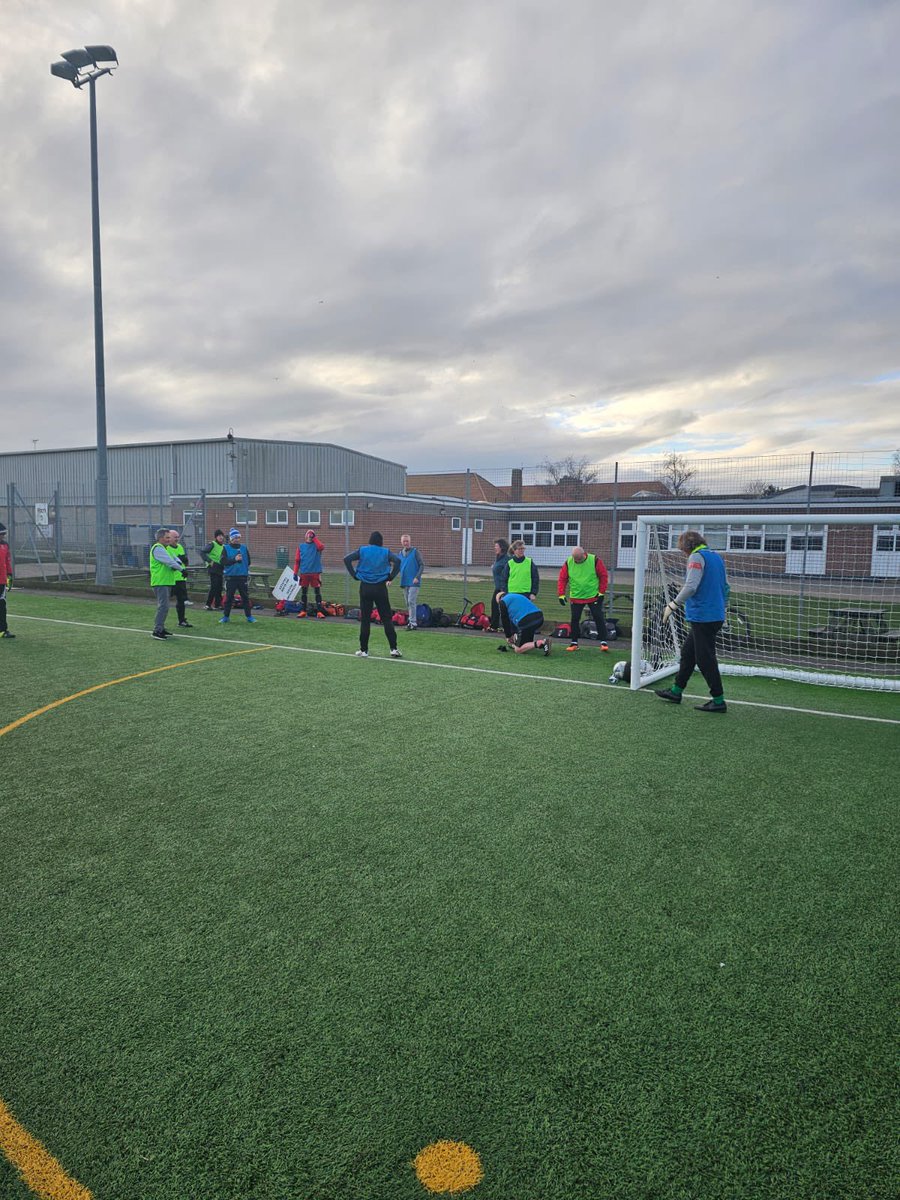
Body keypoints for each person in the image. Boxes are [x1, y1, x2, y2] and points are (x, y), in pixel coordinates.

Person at [655, 529, 729, 713]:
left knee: (705, 659)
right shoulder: (716, 557)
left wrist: (672, 605)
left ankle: (718, 700)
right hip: (714, 614)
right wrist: (723, 608)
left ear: (687, 547)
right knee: (688, 654)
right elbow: (726, 587)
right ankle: (676, 691)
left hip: (703, 616)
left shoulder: (696, 558)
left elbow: (691, 586)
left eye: (682, 550)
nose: (683, 554)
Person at [343, 531, 402, 658]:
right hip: (380, 588)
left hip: (365, 587)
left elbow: (347, 559)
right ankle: (393, 649)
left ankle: (364, 650)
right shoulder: (385, 552)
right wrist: (390, 577)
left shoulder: (363, 550)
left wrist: (354, 575)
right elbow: (397, 561)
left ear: (370, 540)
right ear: (381, 541)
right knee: (386, 618)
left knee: (365, 619)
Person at [557, 546, 610, 652]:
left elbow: (603, 576)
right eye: (575, 559)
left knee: (598, 617)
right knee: (575, 619)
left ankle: (603, 642)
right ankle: (574, 642)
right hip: (576, 596)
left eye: (579, 559)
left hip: (593, 595)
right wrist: (561, 594)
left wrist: (601, 592)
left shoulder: (594, 560)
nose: (577, 561)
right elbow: (562, 579)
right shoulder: (568, 563)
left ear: (584, 554)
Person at [149, 528, 186, 640]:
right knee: (163, 606)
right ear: (160, 538)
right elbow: (169, 561)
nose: (169, 540)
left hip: (166, 581)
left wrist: (179, 565)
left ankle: (161, 628)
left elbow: (175, 559)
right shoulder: (158, 548)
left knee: (165, 606)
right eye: (167, 537)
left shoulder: (165, 548)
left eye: (169, 537)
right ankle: (157, 630)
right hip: (160, 582)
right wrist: (181, 569)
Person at [219, 528, 257, 624]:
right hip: (231, 577)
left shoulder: (243, 548)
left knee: (245, 597)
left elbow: (248, 561)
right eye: (235, 537)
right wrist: (234, 559)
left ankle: (249, 616)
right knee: (229, 598)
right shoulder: (226, 548)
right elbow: (223, 561)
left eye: (238, 537)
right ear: (231, 538)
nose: (237, 539)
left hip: (242, 577)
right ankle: (226, 616)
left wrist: (242, 568)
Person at [496, 591, 551, 655]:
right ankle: (542, 645)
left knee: (518, 650)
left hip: (526, 621)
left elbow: (505, 621)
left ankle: (542, 642)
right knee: (527, 644)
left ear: (499, 599)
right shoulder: (517, 596)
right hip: (539, 617)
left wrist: (508, 636)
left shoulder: (503, 602)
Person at [293, 529, 326, 617]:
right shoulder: (301, 547)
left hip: (315, 572)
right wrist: (295, 573)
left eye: (311, 535)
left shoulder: (317, 546)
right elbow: (297, 561)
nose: (310, 536)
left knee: (317, 592)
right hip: (304, 572)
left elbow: (321, 547)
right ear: (305, 536)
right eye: (309, 534)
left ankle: (319, 611)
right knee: (304, 592)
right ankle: (303, 610)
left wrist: (314, 538)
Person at [168, 530, 193, 628]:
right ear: (169, 537)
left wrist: (185, 560)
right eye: (175, 537)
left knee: (181, 601)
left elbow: (184, 563)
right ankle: (160, 623)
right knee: (165, 601)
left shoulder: (180, 547)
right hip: (170, 579)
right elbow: (171, 563)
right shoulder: (167, 549)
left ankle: (182, 620)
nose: (177, 539)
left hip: (181, 578)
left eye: (177, 537)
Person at [398, 533, 424, 628]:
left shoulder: (415, 552)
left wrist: (417, 577)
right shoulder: (400, 554)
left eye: (407, 541)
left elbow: (422, 565)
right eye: (404, 541)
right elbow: (397, 568)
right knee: (407, 603)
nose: (406, 543)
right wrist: (390, 579)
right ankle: (410, 622)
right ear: (401, 542)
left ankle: (413, 623)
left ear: (410, 541)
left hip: (414, 582)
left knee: (411, 601)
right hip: (404, 582)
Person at [488, 538, 511, 632]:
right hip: (498, 587)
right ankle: (494, 626)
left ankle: (500, 626)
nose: (495, 548)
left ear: (502, 547)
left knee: (502, 607)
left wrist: (503, 589)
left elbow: (508, 574)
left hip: (503, 588)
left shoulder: (507, 559)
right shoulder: (498, 558)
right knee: (495, 605)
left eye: (496, 546)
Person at [201, 529, 226, 610]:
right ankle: (208, 604)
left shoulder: (223, 546)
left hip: (220, 568)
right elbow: (202, 552)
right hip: (213, 567)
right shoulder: (212, 544)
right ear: (216, 537)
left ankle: (218, 604)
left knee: (219, 586)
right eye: (219, 536)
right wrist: (209, 561)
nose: (221, 537)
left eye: (222, 536)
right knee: (214, 586)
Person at [0, 525, 14, 640]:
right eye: (2, 534)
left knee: (2, 606)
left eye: (4, 534)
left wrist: (10, 575)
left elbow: (7, 561)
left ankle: (2, 630)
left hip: (2, 581)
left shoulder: (5, 545)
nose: (3, 536)